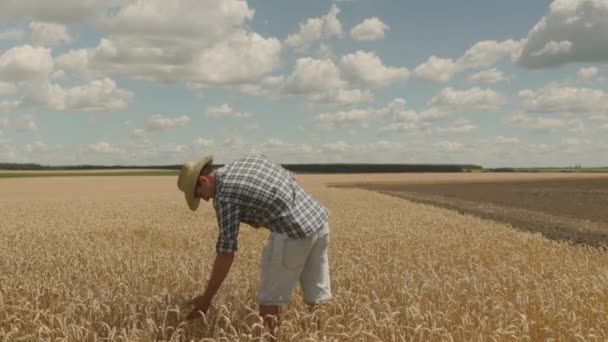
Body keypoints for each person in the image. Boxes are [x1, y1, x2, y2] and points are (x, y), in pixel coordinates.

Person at [177, 154, 332, 339]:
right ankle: (324, 337)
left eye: (198, 194)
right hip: (320, 224)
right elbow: (292, 178)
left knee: (269, 301)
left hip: (292, 234)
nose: (204, 200)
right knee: (317, 297)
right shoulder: (249, 159)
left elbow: (226, 254)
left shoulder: (224, 198)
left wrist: (206, 298)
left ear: (203, 181)